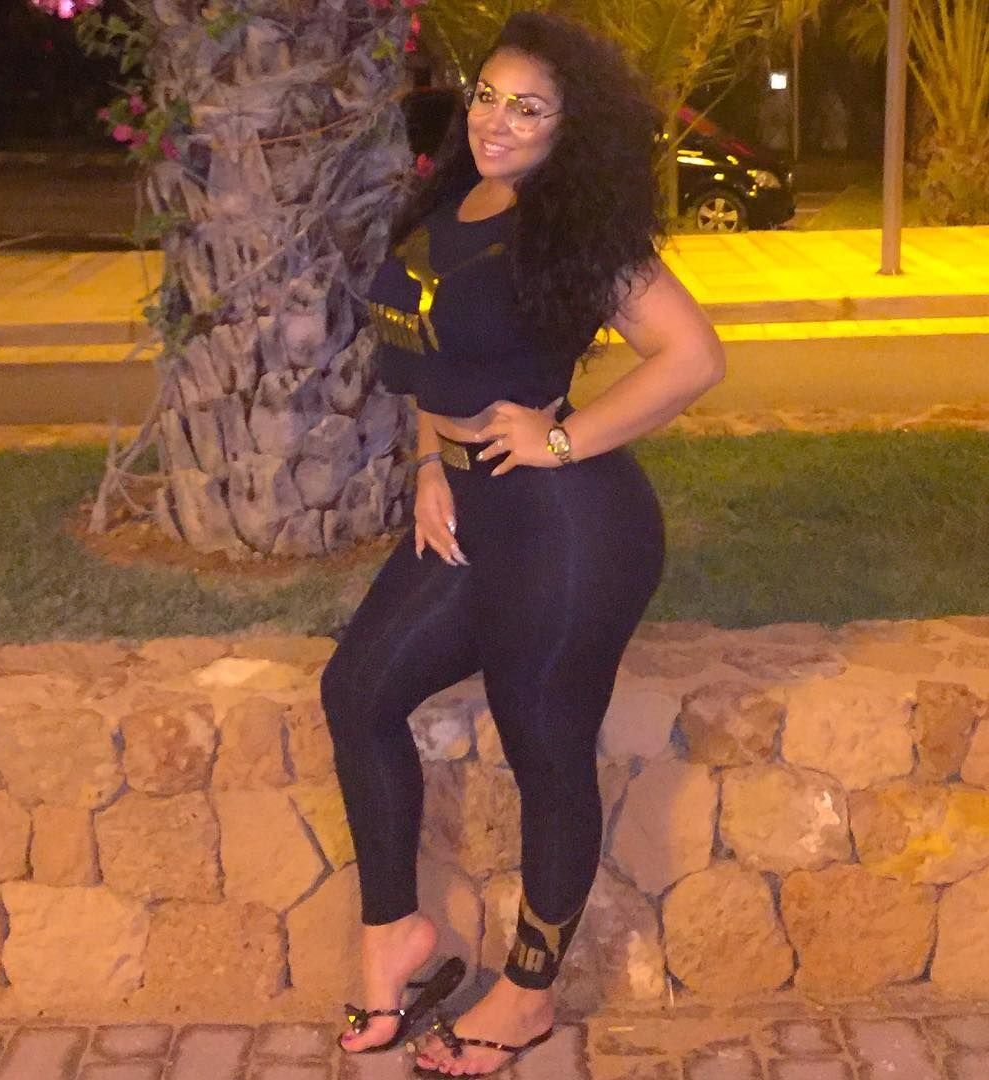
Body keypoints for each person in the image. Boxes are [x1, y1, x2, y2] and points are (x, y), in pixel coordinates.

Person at [320, 12, 725, 1078]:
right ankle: (394, 933)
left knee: (543, 742)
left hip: (567, 526)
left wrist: (561, 439)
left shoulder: (571, 232)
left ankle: (530, 992)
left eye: (528, 108)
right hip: (464, 506)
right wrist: (426, 463)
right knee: (358, 691)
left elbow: (691, 355)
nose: (497, 122)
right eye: (488, 97)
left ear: (567, 127)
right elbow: (427, 357)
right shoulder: (448, 205)